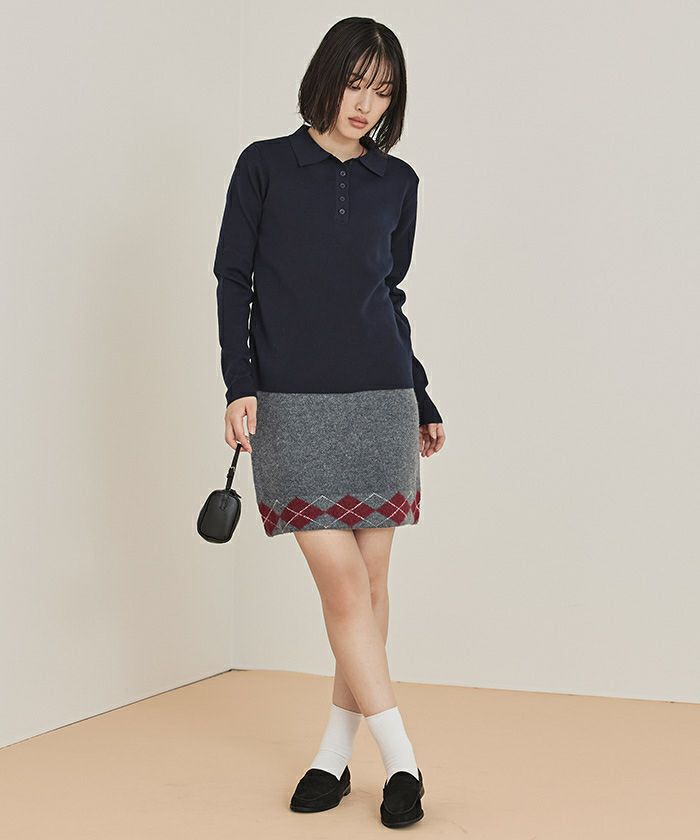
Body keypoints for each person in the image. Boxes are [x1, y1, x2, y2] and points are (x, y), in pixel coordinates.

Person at [212, 15, 446, 829]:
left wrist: (421, 395)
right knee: (343, 583)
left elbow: (389, 296)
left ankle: (333, 756)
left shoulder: (397, 182)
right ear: (326, 77)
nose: (366, 102)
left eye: (382, 90)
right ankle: (404, 761)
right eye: (355, 82)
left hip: (382, 399)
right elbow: (232, 278)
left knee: (372, 588)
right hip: (292, 405)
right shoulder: (265, 165)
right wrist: (239, 384)